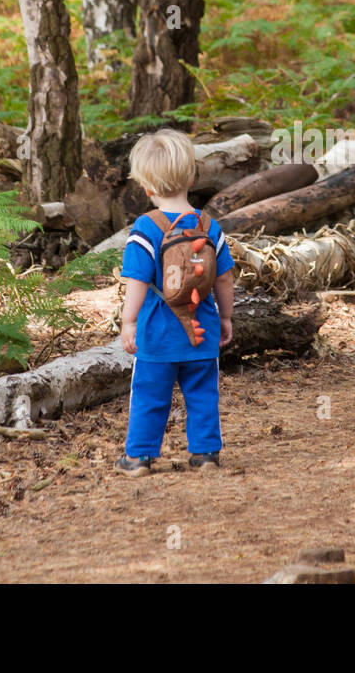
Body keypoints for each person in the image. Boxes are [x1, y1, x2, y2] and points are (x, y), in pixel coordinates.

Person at [115, 129, 235, 475]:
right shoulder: (209, 226)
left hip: (157, 335)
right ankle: (206, 454)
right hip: (202, 331)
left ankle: (138, 457)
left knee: (150, 397)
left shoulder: (145, 228)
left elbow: (137, 280)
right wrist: (225, 318)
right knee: (202, 396)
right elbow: (224, 278)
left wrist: (129, 322)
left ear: (147, 186)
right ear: (191, 177)